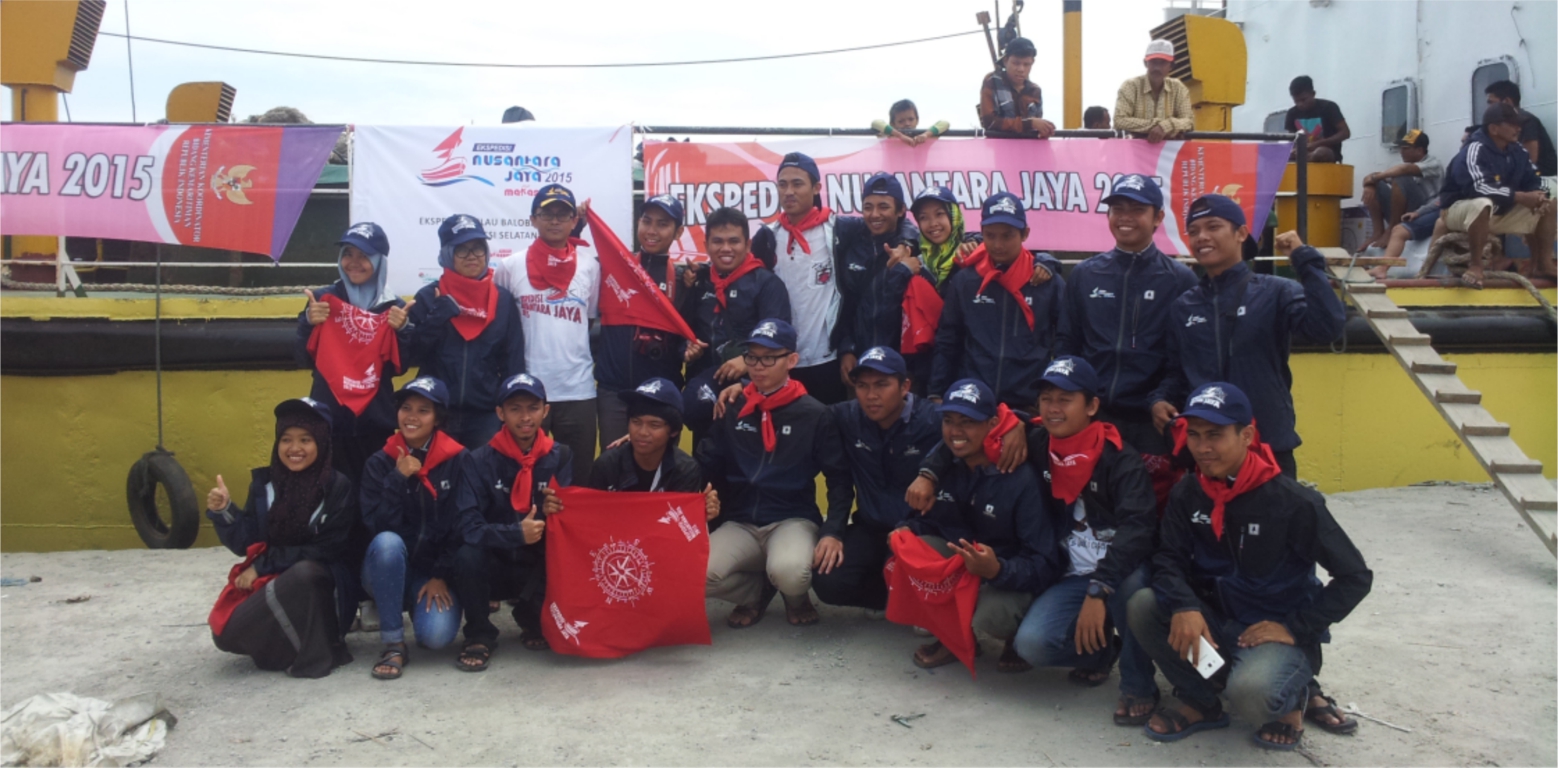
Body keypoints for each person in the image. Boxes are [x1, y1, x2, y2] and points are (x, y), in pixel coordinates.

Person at [1129, 382, 1371, 750]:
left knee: (1253, 696)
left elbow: (1355, 576)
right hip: (1216, 622)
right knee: (1143, 605)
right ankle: (1201, 699)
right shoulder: (1188, 492)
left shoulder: (1293, 502)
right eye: (1193, 435)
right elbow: (1168, 558)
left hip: (1270, 630)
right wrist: (1186, 605)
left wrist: (1295, 627)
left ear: (1247, 435)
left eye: (1215, 435)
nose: (1203, 447)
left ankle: (1295, 694)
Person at [1002, 358, 1160, 724]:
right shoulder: (1037, 441)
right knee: (1032, 645)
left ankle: (1139, 686)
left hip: (1120, 571)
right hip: (1070, 573)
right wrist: (930, 474)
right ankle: (1100, 653)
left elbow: (1138, 530)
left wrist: (1100, 588)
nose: (1053, 408)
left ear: (1091, 406)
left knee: (1133, 591)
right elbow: (972, 433)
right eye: (1046, 398)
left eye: (1065, 399)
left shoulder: (1120, 459)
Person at [1151, 196, 1346, 478]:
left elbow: (1327, 327)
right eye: (1193, 231)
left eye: (1213, 227)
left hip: (1268, 446)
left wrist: (1305, 260)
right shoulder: (1184, 306)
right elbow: (1176, 372)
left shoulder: (1276, 291)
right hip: (1207, 454)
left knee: (1276, 522)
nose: (1202, 237)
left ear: (1241, 233)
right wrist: (1159, 399)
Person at [698, 319, 851, 629]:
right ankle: (757, 591)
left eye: (769, 358)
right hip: (741, 521)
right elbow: (704, 460)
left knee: (792, 573)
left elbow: (839, 479)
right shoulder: (732, 405)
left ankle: (794, 596)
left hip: (791, 518)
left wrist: (833, 530)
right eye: (752, 357)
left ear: (791, 360)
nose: (758, 366)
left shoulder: (814, 414)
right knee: (693, 572)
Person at [1055, 174, 1197, 507]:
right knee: (1093, 505)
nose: (1125, 218)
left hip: (1152, 421)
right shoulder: (1085, 274)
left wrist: (1163, 399)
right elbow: (1067, 343)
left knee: (1151, 507)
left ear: (1158, 218)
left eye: (1136, 209)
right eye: (1117, 209)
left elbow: (1184, 359)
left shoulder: (1180, 280)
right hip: (1094, 416)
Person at [898, 378, 1058, 672]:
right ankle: (952, 637)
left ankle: (1014, 636)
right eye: (949, 420)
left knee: (991, 617)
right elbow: (930, 522)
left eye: (968, 422)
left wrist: (998, 570)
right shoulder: (946, 466)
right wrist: (905, 530)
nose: (956, 431)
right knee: (908, 546)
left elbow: (1045, 562)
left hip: (1009, 571)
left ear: (993, 424)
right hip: (970, 565)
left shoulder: (1020, 477)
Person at [206, 397, 357, 678]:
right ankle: (292, 647)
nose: (294, 449)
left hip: (324, 588)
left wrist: (263, 565)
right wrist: (224, 511)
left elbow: (328, 549)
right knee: (224, 635)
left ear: (322, 442)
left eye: (305, 440)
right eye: (286, 439)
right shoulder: (265, 484)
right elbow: (245, 542)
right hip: (275, 583)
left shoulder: (338, 487)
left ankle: (319, 649)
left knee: (304, 573)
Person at [451, 373, 571, 669]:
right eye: (515, 408)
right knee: (467, 554)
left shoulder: (561, 456)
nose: (525, 417)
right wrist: (515, 534)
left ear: (546, 410)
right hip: (495, 560)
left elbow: (571, 524)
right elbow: (468, 526)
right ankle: (479, 633)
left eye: (532, 407)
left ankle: (532, 618)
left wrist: (559, 512)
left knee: (562, 550)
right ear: (500, 413)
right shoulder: (477, 460)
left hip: (535, 563)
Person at [811, 347, 941, 613]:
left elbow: (983, 423)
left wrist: (931, 472)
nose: (871, 395)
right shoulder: (846, 416)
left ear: (905, 385)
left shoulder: (932, 419)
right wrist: (744, 390)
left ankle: (919, 602)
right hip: (871, 527)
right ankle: (897, 602)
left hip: (920, 530)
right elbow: (798, 407)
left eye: (882, 385)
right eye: (862, 386)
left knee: (919, 566)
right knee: (828, 581)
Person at [358, 377, 466, 680]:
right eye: (406, 408)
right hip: (386, 566)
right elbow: (375, 528)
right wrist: (397, 479)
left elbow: (463, 525)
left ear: (438, 419)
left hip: (431, 575)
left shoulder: (458, 460)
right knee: (388, 543)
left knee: (435, 639)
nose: (412, 417)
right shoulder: (380, 463)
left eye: (423, 410)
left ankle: (420, 610)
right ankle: (393, 642)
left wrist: (440, 575)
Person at [495, 183, 601, 484]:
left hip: (578, 390)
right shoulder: (509, 266)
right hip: (527, 392)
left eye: (563, 214)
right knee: (521, 478)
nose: (555, 220)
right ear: (533, 219)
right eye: (547, 213)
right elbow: (501, 320)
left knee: (578, 478)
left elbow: (589, 317)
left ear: (573, 221)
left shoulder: (589, 267)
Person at [295, 222, 411, 484]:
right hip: (329, 418)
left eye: (364, 256)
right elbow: (302, 358)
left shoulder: (394, 307)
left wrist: (403, 330)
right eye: (348, 253)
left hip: (374, 422)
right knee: (332, 498)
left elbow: (399, 367)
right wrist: (307, 323)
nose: (354, 262)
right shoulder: (323, 300)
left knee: (372, 494)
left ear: (379, 260)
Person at [930, 191, 1066, 409]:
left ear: (1025, 234)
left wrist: (1055, 393)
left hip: (1029, 403)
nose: (998, 244)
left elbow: (1065, 341)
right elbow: (948, 339)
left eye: (1007, 235)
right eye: (990, 235)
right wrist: (936, 391)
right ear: (981, 233)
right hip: (973, 400)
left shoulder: (1047, 281)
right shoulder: (965, 281)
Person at [403, 214, 526, 449]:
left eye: (478, 248)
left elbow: (513, 361)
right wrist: (437, 318)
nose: (472, 257)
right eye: (462, 250)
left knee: (483, 482)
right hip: (436, 414)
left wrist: (511, 411)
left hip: (486, 416)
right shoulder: (429, 297)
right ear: (448, 253)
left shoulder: (502, 300)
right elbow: (411, 356)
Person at [681, 206, 792, 437]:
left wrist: (747, 361)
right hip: (705, 384)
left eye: (734, 241)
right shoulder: (697, 281)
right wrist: (687, 348)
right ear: (706, 245)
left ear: (748, 245)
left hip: (751, 388)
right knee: (693, 412)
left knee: (745, 465)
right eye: (717, 241)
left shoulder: (767, 283)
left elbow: (781, 338)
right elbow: (683, 330)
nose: (726, 248)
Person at [595, 193, 692, 447]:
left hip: (660, 396)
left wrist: (687, 351)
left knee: (660, 476)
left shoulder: (685, 280)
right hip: (614, 393)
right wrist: (581, 227)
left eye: (663, 224)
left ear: (678, 231)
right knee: (613, 469)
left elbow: (686, 336)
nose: (652, 230)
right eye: (647, 221)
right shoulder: (613, 268)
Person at [754, 153, 848, 404]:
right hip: (781, 361)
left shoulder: (839, 230)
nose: (789, 192)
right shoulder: (767, 237)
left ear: (816, 187)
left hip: (826, 359)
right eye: (782, 185)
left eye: (797, 184)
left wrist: (905, 244)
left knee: (828, 435)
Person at [1439, 103, 1557, 286]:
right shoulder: (1474, 149)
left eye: (1519, 124)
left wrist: (1538, 194)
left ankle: (1542, 264)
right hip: (1458, 211)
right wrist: (1520, 197)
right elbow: (1478, 188)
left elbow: (1532, 179)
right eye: (1512, 124)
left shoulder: (1518, 151)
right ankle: (1476, 266)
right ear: (1494, 128)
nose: (1518, 128)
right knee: (1482, 203)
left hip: (1499, 210)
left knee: (1549, 202)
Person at [835, 172, 935, 388]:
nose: (874, 214)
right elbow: (846, 305)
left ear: (900, 211)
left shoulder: (918, 247)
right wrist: (846, 349)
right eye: (868, 206)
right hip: (860, 364)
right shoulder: (851, 244)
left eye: (883, 206)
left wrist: (908, 247)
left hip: (903, 366)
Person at [586, 377, 711, 505]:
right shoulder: (607, 464)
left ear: (674, 431)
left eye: (654, 425)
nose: (642, 432)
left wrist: (702, 511)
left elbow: (683, 519)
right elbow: (590, 514)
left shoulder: (686, 470)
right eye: (636, 422)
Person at [1360, 129, 1443, 251]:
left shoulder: (1433, 163)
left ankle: (1392, 227)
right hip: (1406, 210)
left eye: (1405, 149)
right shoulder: (1402, 166)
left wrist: (1374, 178)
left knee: (1400, 177)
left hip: (1425, 211)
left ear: (1420, 150)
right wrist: (1370, 185)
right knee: (1378, 184)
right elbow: (1368, 178)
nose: (1401, 152)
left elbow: (1403, 171)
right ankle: (1378, 232)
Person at [1113, 40, 1193, 144]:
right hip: (1133, 154)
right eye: (1153, 61)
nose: (1157, 67)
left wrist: (1166, 126)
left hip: (1169, 156)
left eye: (1163, 62)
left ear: (1171, 66)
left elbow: (1188, 121)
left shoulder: (1178, 88)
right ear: (1145, 63)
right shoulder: (1130, 86)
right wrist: (1157, 125)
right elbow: (1119, 120)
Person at [978, 37, 1055, 138]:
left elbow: (1036, 128)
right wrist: (1029, 124)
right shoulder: (992, 81)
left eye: (1026, 64)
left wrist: (1045, 129)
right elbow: (990, 123)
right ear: (1005, 61)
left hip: (1028, 150)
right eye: (1016, 63)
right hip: (999, 150)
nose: (1021, 69)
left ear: (1032, 63)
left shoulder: (1035, 90)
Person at [910, 185, 981, 286]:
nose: (933, 223)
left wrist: (977, 241)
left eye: (939, 214)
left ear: (954, 216)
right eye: (923, 217)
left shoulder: (971, 250)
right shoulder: (915, 261)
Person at [1484, 80, 1557, 177]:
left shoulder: (1527, 121)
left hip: (1543, 177)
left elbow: (1530, 160)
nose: (1488, 107)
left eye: (1491, 102)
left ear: (1507, 101)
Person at [1284, 76, 1350, 163]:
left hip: (1328, 152)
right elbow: (1291, 139)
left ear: (1313, 94)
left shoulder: (1328, 107)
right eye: (1296, 101)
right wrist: (1294, 150)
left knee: (1321, 153)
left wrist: (1318, 144)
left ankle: (1306, 161)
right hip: (1303, 151)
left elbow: (1345, 133)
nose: (1300, 104)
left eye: (1303, 100)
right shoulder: (1292, 113)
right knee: (1283, 155)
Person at [873, 99, 950, 147]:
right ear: (892, 124)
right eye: (901, 121)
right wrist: (900, 136)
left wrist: (926, 135)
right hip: (892, 173)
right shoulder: (888, 138)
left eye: (911, 119)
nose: (907, 123)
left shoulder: (924, 139)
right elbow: (875, 123)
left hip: (917, 173)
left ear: (917, 120)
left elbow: (945, 123)